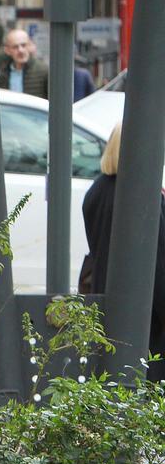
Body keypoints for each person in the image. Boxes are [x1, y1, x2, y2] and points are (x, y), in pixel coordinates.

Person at [80, 122, 165, 381]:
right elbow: (158, 263)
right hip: (147, 312)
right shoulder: (141, 197)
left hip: (108, 296)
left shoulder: (97, 190)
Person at [0, 29, 48, 99]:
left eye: (23, 45)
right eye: (15, 47)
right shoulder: (2, 73)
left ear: (30, 46)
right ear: (7, 50)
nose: (20, 50)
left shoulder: (44, 71)